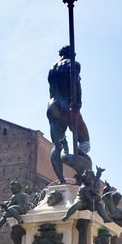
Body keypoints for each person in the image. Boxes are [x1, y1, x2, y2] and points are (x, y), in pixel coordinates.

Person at [46, 46, 91, 184]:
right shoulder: (73, 64)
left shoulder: (52, 69)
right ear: (72, 54)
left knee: (56, 145)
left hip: (52, 104)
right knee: (85, 141)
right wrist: (78, 102)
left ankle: (61, 181)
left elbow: (51, 90)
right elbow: (75, 82)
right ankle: (76, 155)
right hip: (67, 103)